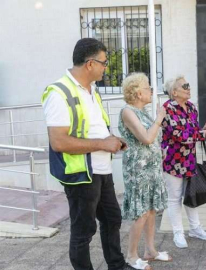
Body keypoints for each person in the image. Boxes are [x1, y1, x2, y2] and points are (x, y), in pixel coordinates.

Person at [42, 38, 136, 270]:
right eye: (104, 63)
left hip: (101, 171)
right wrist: (103, 144)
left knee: (112, 219)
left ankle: (117, 265)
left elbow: (96, 129)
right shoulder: (59, 92)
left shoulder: (93, 91)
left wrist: (113, 141)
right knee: (83, 231)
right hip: (81, 173)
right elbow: (58, 141)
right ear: (90, 64)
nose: (106, 67)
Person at [119, 73, 171, 270]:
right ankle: (132, 255)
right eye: (148, 87)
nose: (151, 90)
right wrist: (159, 119)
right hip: (138, 170)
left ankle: (150, 250)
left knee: (150, 210)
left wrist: (160, 150)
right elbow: (146, 138)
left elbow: (154, 139)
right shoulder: (127, 112)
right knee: (141, 211)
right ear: (138, 93)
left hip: (152, 168)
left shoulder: (144, 112)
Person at [161, 75, 206, 248]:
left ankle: (195, 228)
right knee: (175, 197)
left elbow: (191, 132)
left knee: (191, 194)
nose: (188, 87)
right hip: (172, 160)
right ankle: (178, 233)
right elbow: (178, 135)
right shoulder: (167, 109)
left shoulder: (192, 107)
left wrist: (204, 130)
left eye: (188, 84)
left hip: (189, 159)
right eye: (184, 85)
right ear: (174, 92)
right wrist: (203, 134)